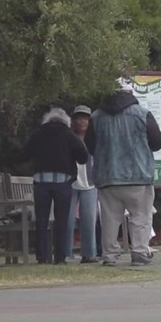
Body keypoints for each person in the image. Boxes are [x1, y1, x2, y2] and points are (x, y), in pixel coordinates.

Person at [86, 78, 161, 267]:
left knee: (110, 218)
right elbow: (157, 141)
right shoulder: (142, 113)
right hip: (138, 174)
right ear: (130, 93)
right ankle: (139, 252)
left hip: (107, 175)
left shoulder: (96, 116)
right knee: (140, 216)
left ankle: (109, 255)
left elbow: (90, 145)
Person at [24, 107, 90, 265]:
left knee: (41, 220)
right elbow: (83, 156)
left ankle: (42, 257)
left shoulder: (38, 133)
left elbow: (24, 153)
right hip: (63, 182)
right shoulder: (69, 134)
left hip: (41, 181)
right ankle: (60, 257)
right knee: (62, 220)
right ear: (66, 121)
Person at [66, 105, 99, 263]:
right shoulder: (68, 137)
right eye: (79, 118)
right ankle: (65, 253)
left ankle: (89, 254)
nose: (82, 121)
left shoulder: (94, 139)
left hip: (90, 183)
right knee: (68, 219)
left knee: (89, 219)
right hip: (70, 183)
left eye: (85, 118)